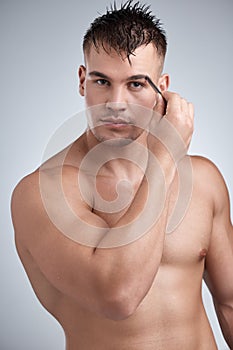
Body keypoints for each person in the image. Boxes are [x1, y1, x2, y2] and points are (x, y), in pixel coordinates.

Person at [11, 1, 233, 349]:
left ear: (163, 89)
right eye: (103, 81)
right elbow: (119, 297)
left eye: (136, 84)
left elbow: (229, 303)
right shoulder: (42, 193)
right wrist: (167, 154)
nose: (116, 102)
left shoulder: (204, 181)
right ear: (83, 81)